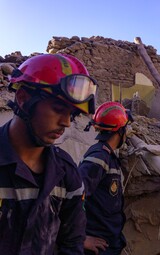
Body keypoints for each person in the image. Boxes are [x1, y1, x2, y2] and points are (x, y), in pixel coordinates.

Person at [0, 53, 98, 254]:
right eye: (58, 108)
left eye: (71, 114)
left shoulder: (65, 172)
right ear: (23, 98)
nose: (67, 122)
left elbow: (72, 241)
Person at [79, 101, 133, 255]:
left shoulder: (108, 157)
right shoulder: (98, 158)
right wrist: (81, 238)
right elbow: (74, 196)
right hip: (98, 245)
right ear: (120, 131)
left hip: (110, 241)